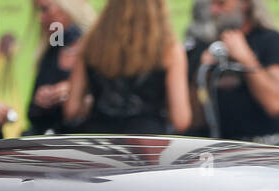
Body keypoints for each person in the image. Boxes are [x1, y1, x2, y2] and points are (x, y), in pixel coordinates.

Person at [63, 0, 190, 134]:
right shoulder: (169, 50)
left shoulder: (91, 43)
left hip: (100, 141)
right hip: (148, 144)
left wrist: (93, 104)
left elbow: (71, 109)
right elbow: (181, 120)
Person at [197, 0, 279, 144]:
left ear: (245, 3)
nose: (214, 11)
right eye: (212, 5)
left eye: (221, 4)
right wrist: (202, 72)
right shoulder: (208, 46)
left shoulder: (272, 40)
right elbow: (195, 117)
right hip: (219, 146)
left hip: (263, 146)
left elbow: (276, 105)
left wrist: (246, 58)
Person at [27, 0, 94, 135]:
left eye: (45, 9)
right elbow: (32, 115)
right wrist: (41, 101)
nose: (40, 18)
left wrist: (76, 93)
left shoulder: (97, 51)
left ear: (67, 8)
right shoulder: (51, 52)